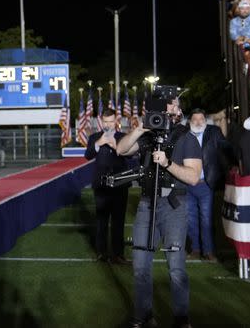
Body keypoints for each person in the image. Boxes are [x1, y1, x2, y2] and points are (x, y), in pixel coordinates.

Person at [116, 89, 202, 328]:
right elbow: (121, 149)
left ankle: (181, 318)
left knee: (176, 268)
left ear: (178, 109)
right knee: (140, 265)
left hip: (174, 205)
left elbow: (194, 177)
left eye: (171, 105)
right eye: (163, 106)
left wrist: (167, 163)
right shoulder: (147, 136)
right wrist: (140, 129)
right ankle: (143, 316)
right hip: (146, 204)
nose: (167, 110)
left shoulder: (187, 138)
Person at [85, 109, 132, 264]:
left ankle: (118, 254)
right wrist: (99, 143)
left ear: (115, 121)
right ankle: (101, 253)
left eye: (110, 121)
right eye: (105, 121)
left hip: (120, 183)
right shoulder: (94, 137)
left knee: (118, 221)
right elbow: (88, 155)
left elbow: (130, 155)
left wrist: (115, 145)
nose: (108, 124)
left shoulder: (123, 137)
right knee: (101, 222)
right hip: (101, 185)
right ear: (101, 121)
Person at [184, 109, 230, 262]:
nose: (198, 122)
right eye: (195, 119)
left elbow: (226, 148)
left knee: (206, 219)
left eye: (201, 119)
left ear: (205, 120)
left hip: (206, 184)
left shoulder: (214, 132)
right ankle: (195, 250)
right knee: (191, 220)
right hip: (188, 183)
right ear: (190, 121)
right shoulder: (184, 134)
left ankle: (209, 251)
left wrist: (238, 161)